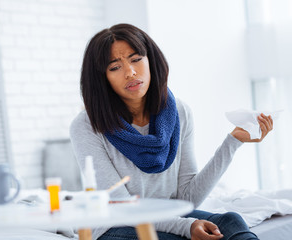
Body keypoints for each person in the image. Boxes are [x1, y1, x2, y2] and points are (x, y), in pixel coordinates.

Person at [70, 23, 273, 240]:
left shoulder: (179, 112)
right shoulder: (87, 126)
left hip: (167, 216)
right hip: (116, 225)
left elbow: (187, 200)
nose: (130, 72)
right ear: (102, 79)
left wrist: (233, 142)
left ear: (151, 60)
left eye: (136, 59)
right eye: (114, 67)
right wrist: (186, 227)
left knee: (230, 221)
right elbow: (121, 207)